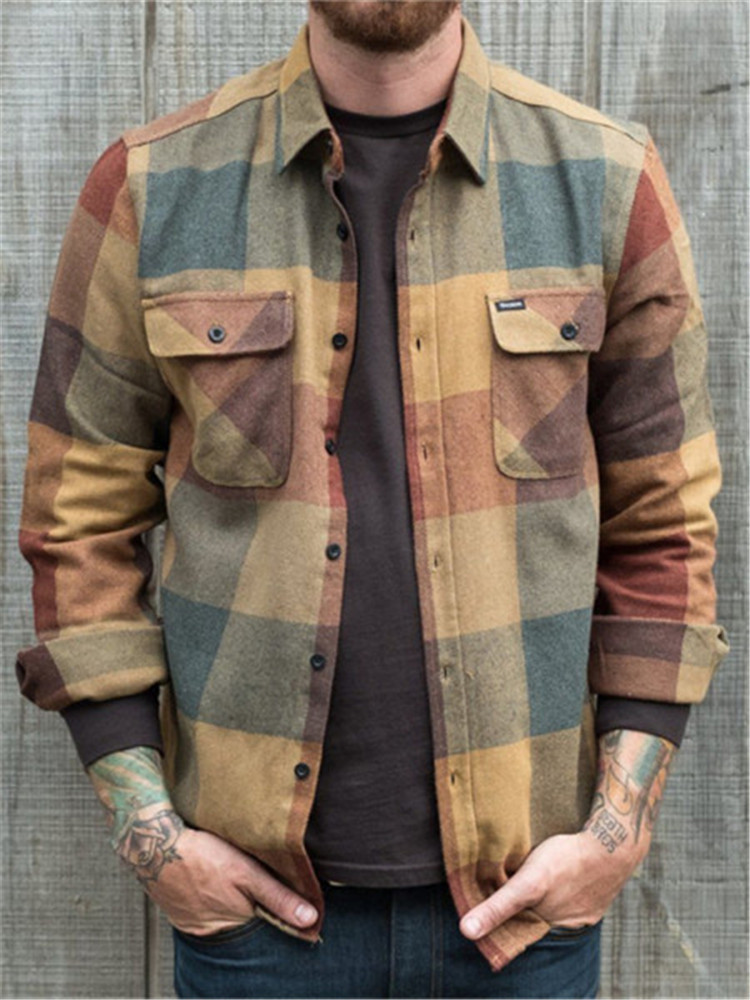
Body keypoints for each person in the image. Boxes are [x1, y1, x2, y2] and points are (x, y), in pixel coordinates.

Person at [15, 2, 730, 998]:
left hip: (525, 912)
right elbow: (78, 518)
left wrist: (613, 834)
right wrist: (154, 835)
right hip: (256, 924)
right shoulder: (151, 186)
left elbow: (665, 522)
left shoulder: (607, 181)